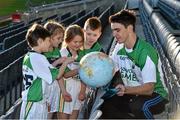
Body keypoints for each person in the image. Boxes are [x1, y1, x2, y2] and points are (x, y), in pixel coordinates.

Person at [100, 9, 168, 119]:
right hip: (132, 92)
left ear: (130, 28)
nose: (114, 34)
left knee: (139, 106)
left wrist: (126, 89)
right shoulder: (119, 47)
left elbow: (149, 88)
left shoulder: (145, 51)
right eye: (112, 30)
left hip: (155, 94)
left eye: (117, 30)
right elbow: (110, 68)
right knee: (105, 105)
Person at [20, 24, 74, 119]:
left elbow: (48, 70)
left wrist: (58, 62)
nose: (50, 43)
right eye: (48, 40)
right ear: (40, 41)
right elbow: (57, 76)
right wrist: (66, 62)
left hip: (38, 102)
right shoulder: (38, 58)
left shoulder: (32, 56)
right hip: (33, 103)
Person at [43, 20, 72, 118]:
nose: (60, 41)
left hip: (54, 89)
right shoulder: (42, 53)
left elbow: (59, 74)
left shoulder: (57, 51)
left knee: (50, 115)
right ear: (49, 37)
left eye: (61, 38)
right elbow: (46, 72)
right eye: (58, 38)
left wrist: (63, 91)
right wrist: (58, 61)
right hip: (43, 90)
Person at [59, 24, 85, 119]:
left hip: (78, 91)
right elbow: (65, 74)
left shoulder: (82, 54)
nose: (78, 44)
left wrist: (82, 91)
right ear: (67, 40)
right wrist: (79, 69)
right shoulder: (62, 54)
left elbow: (85, 76)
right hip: (66, 92)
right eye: (75, 42)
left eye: (80, 42)